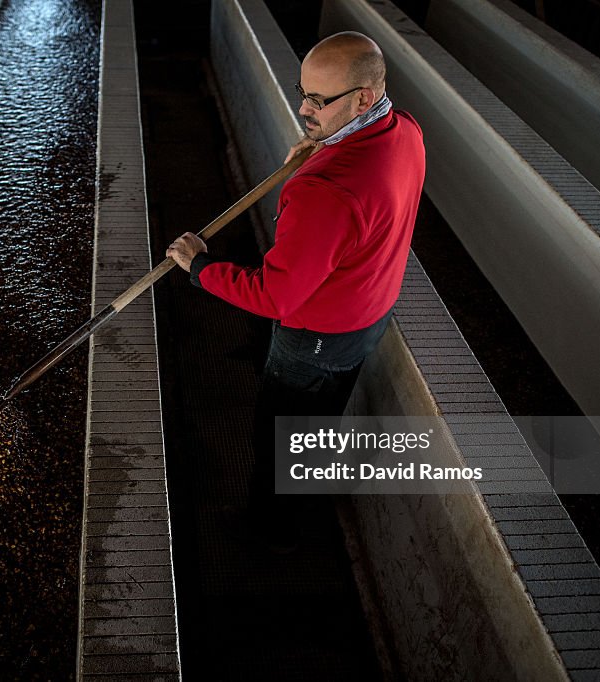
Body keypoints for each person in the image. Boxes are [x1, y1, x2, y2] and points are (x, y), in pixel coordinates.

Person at [166, 32, 426, 552]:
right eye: (302, 91)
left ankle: (269, 533)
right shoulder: (404, 131)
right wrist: (321, 151)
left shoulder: (322, 193)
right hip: (367, 311)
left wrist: (201, 270)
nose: (304, 109)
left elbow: (275, 298)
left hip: (314, 338)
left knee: (279, 442)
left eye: (318, 100)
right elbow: (357, 207)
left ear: (363, 98)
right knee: (317, 422)